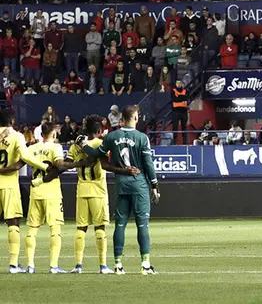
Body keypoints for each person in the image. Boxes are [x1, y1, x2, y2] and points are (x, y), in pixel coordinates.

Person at [82, 105, 159, 274]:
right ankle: (145, 265)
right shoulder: (142, 137)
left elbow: (95, 154)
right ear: (136, 118)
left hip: (121, 184)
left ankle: (118, 265)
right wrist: (154, 185)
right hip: (139, 184)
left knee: (121, 224)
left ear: (122, 118)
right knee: (142, 225)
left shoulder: (111, 136)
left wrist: (84, 145)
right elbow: (148, 164)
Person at [0, 109, 54, 273]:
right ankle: (14, 264)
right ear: (12, 121)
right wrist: (44, 166)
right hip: (8, 184)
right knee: (13, 221)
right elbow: (26, 157)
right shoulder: (16, 136)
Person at [23, 122, 66, 273]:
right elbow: (60, 167)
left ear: (41, 135)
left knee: (32, 229)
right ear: (54, 134)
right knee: (55, 229)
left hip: (35, 192)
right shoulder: (56, 147)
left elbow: (23, 159)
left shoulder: (32, 148)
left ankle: (30, 265)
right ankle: (53, 266)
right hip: (52, 193)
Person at [170, 80, 189, 144]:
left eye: (180, 83)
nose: (179, 84)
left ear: (182, 83)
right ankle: (174, 142)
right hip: (175, 112)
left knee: (184, 127)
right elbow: (174, 100)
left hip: (184, 112)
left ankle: (185, 142)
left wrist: (178, 99)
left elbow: (186, 99)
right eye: (177, 83)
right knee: (175, 127)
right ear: (175, 83)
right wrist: (182, 100)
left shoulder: (185, 91)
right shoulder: (173, 91)